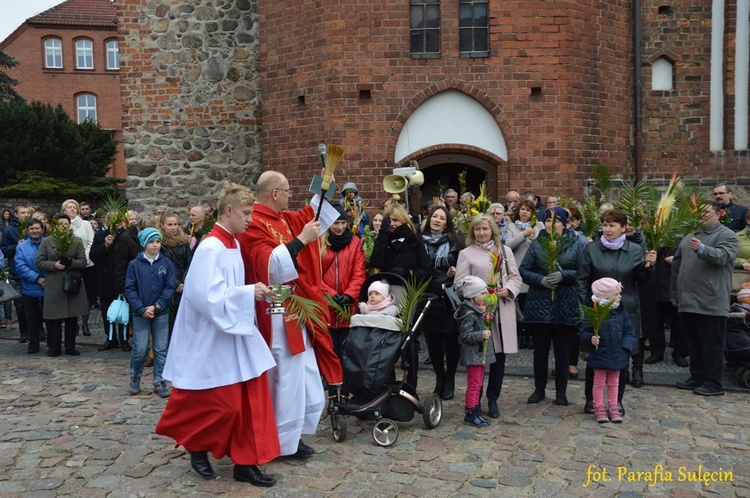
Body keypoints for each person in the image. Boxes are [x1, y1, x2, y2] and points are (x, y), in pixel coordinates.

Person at [156, 182, 280, 487]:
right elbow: (204, 296)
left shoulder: (234, 244)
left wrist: (256, 294)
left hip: (236, 330)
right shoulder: (211, 246)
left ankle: (246, 463)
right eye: (246, 213)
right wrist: (249, 293)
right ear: (228, 210)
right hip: (213, 336)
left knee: (251, 398)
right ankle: (197, 446)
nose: (251, 218)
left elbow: (228, 289)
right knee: (220, 402)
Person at [239, 170, 342, 459]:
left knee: (304, 371)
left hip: (296, 309)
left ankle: (293, 436)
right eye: (286, 191)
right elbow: (269, 267)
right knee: (285, 374)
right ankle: (281, 442)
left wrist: (326, 182)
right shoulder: (255, 222)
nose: (289, 196)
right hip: (275, 311)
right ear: (274, 193)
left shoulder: (282, 218)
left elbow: (314, 212)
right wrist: (300, 240)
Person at [577, 209, 656, 414]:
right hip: (597, 310)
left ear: (623, 227)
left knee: (620, 358)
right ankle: (591, 400)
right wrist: (588, 305)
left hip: (625, 310)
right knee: (595, 356)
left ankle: (616, 401)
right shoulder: (591, 249)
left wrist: (648, 266)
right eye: (605, 225)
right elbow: (582, 279)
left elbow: (642, 282)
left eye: (612, 225)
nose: (608, 229)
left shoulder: (636, 250)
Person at [454, 213, 522, 418]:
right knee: (481, 357)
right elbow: (459, 283)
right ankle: (476, 399)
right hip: (479, 313)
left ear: (492, 229)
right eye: (477, 229)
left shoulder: (504, 251)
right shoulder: (466, 253)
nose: (481, 232)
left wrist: (508, 289)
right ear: (472, 232)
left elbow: (515, 277)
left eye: (485, 228)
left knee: (499, 358)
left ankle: (493, 399)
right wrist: (480, 292)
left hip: (502, 309)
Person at [519, 207, 588, 406]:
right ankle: (539, 388)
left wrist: (564, 275)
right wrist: (540, 280)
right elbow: (524, 269)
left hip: (565, 302)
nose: (551, 225)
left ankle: (561, 391)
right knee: (540, 350)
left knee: (563, 350)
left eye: (556, 221)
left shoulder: (575, 243)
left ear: (564, 223)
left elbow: (583, 270)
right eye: (547, 221)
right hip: (540, 302)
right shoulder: (537, 243)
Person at [672, 202, 740, 396]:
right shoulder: (690, 236)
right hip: (688, 300)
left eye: (706, 212)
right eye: (698, 212)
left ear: (719, 214)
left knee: (711, 345)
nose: (700, 215)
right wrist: (674, 293)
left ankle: (714, 383)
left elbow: (723, 257)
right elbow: (677, 266)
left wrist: (702, 249)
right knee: (693, 343)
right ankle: (697, 376)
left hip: (711, 301)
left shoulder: (727, 235)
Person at [370, 203, 431, 387]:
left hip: (408, 295)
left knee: (408, 340)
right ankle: (386, 381)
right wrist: (383, 235)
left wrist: (408, 272)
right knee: (385, 339)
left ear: (403, 220)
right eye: (390, 220)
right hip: (386, 297)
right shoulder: (384, 240)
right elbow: (376, 262)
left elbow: (427, 270)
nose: (392, 224)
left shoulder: (415, 240)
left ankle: (410, 382)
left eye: (395, 220)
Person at [321, 203, 366, 398]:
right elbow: (314, 274)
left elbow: (359, 272)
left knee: (347, 351)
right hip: (327, 305)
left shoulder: (355, 243)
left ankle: (347, 391)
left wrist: (349, 294)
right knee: (331, 351)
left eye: (342, 223)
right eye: (335, 223)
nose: (339, 227)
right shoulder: (320, 243)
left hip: (348, 306)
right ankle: (332, 391)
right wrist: (330, 294)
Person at [420, 205, 465, 400]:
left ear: (447, 222)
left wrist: (455, 274)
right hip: (427, 295)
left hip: (448, 297)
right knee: (433, 342)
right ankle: (439, 379)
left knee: (451, 341)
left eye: (442, 218)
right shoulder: (418, 241)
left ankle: (450, 379)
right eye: (434, 216)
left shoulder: (456, 242)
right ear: (429, 219)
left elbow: (464, 269)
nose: (437, 220)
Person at [124, 227, 176, 398]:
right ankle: (135, 376)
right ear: (144, 244)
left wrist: (158, 306)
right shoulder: (134, 265)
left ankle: (159, 380)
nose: (156, 245)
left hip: (160, 312)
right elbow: (130, 289)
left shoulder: (166, 263)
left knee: (161, 348)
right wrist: (141, 308)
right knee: (140, 348)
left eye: (158, 242)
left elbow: (169, 287)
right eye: (152, 242)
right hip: (141, 313)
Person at [580, 278, 635, 423]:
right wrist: (591, 338)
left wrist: (625, 348)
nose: (620, 296)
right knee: (598, 382)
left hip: (618, 354)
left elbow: (629, 331)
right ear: (606, 297)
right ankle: (598, 406)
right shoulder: (595, 313)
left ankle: (613, 406)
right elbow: (583, 331)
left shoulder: (621, 312)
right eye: (617, 294)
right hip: (600, 353)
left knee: (614, 381)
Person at [35, 213, 88, 357]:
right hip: (54, 284)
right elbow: (39, 261)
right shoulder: (47, 241)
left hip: (72, 282)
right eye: (60, 224)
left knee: (71, 317)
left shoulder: (76, 241)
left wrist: (70, 263)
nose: (63, 226)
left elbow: (83, 262)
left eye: (66, 223)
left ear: (69, 225)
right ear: (55, 225)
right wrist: (54, 265)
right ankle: (54, 348)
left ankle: (70, 347)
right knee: (53, 318)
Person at [455, 275, 494, 428]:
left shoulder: (480, 309)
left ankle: (476, 411)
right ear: (472, 296)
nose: (485, 296)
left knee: (478, 384)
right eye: (482, 294)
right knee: (474, 384)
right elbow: (464, 335)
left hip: (480, 355)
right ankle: (470, 412)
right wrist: (481, 335)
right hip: (474, 354)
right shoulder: (469, 313)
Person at [90, 217, 132, 352]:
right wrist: (105, 246)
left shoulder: (127, 235)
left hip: (123, 278)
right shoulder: (100, 235)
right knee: (106, 311)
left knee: (124, 311)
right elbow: (93, 255)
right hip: (105, 279)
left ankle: (124, 339)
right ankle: (110, 338)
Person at [505, 198, 541, 349]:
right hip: (517, 271)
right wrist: (524, 235)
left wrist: (536, 238)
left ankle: (532, 335)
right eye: (522, 209)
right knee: (518, 305)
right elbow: (507, 245)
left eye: (528, 210)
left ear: (532, 213)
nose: (524, 212)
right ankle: (522, 334)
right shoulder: (511, 227)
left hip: (533, 271)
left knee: (531, 305)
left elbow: (544, 246)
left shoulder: (538, 226)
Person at [62, 199, 96, 337]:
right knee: (72, 293)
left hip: (87, 264)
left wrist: (84, 258)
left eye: (74, 207)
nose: (72, 209)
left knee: (88, 295)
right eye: (69, 207)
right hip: (70, 266)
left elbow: (90, 242)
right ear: (64, 210)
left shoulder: (85, 224)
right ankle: (73, 323)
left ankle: (85, 322)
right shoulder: (62, 225)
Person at [14, 219, 46, 354]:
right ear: (27, 230)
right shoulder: (21, 247)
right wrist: (37, 278)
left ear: (42, 229)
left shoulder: (49, 243)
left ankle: (53, 343)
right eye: (32, 229)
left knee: (51, 318)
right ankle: (33, 344)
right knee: (31, 318)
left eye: (37, 228)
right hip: (30, 287)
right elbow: (20, 267)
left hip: (48, 286)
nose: (35, 231)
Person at [159, 212, 192, 340]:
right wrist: (176, 283)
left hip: (184, 285)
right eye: (170, 225)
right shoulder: (160, 242)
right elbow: (163, 266)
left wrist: (184, 282)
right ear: (162, 225)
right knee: (169, 323)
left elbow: (189, 261)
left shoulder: (182, 240)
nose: (173, 227)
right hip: (168, 286)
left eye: (175, 224)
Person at [1, 205, 32, 342]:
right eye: (22, 212)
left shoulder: (33, 228)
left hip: (34, 270)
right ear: (16, 214)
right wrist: (17, 246)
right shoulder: (9, 231)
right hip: (17, 272)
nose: (25, 215)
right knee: (20, 304)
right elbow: (5, 250)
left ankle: (38, 329)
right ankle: (24, 331)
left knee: (37, 303)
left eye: (27, 212)